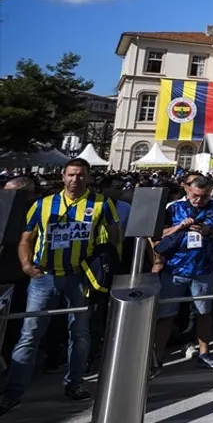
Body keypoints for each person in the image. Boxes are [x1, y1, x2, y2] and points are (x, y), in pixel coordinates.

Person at [1, 160, 119, 414]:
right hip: (44, 277)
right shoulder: (43, 204)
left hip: (79, 275)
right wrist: (26, 266)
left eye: (81, 175)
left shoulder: (101, 204)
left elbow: (113, 235)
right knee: (30, 333)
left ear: (88, 177)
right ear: (62, 176)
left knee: (80, 332)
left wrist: (102, 266)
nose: (75, 179)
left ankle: (74, 383)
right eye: (71, 175)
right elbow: (26, 238)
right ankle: (13, 391)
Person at [153, 175, 213, 371]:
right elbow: (158, 235)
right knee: (166, 314)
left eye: (204, 196)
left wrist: (209, 231)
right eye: (196, 195)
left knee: (204, 312)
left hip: (203, 267)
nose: (199, 200)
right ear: (188, 191)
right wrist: (179, 227)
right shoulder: (174, 208)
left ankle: (204, 352)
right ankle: (156, 356)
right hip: (175, 267)